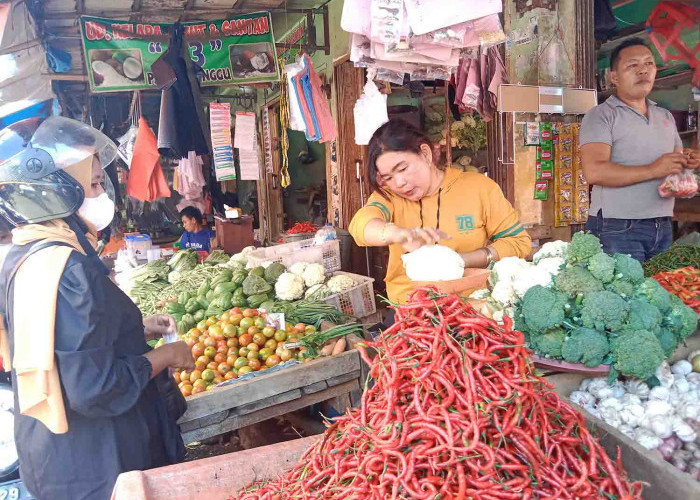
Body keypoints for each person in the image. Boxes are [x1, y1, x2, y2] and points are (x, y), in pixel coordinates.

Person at [0, 117, 194, 500]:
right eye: (92, 185)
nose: (103, 192)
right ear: (56, 193)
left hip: (57, 459)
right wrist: (167, 355)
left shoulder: (24, 256)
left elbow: (64, 347)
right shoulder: (68, 271)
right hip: (97, 470)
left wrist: (138, 331)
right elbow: (95, 387)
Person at [349, 120, 531, 306]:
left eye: (403, 169)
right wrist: (397, 233)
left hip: (471, 310)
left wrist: (460, 261)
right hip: (409, 310)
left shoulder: (479, 188)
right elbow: (360, 225)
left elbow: (518, 242)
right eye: (388, 177)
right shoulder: (389, 197)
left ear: (425, 154)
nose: (399, 183)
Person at [580, 38, 700, 262]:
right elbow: (594, 172)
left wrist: (689, 160)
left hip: (663, 223)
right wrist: (654, 169)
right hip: (617, 225)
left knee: (655, 295)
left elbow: (674, 164)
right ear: (614, 77)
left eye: (649, 64)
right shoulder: (601, 115)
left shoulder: (664, 116)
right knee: (622, 295)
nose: (643, 70)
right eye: (632, 65)